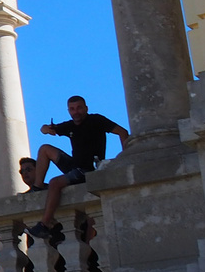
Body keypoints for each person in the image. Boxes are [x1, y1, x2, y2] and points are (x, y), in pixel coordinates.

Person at [27, 96, 129, 239]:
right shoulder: (70, 125)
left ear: (86, 108)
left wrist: (125, 158)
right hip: (74, 165)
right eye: (72, 109)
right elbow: (45, 129)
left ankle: (44, 224)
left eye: (79, 108)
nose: (76, 112)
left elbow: (122, 132)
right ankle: (36, 188)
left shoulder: (96, 120)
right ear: (69, 111)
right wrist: (46, 129)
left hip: (88, 170)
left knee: (55, 183)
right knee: (44, 149)